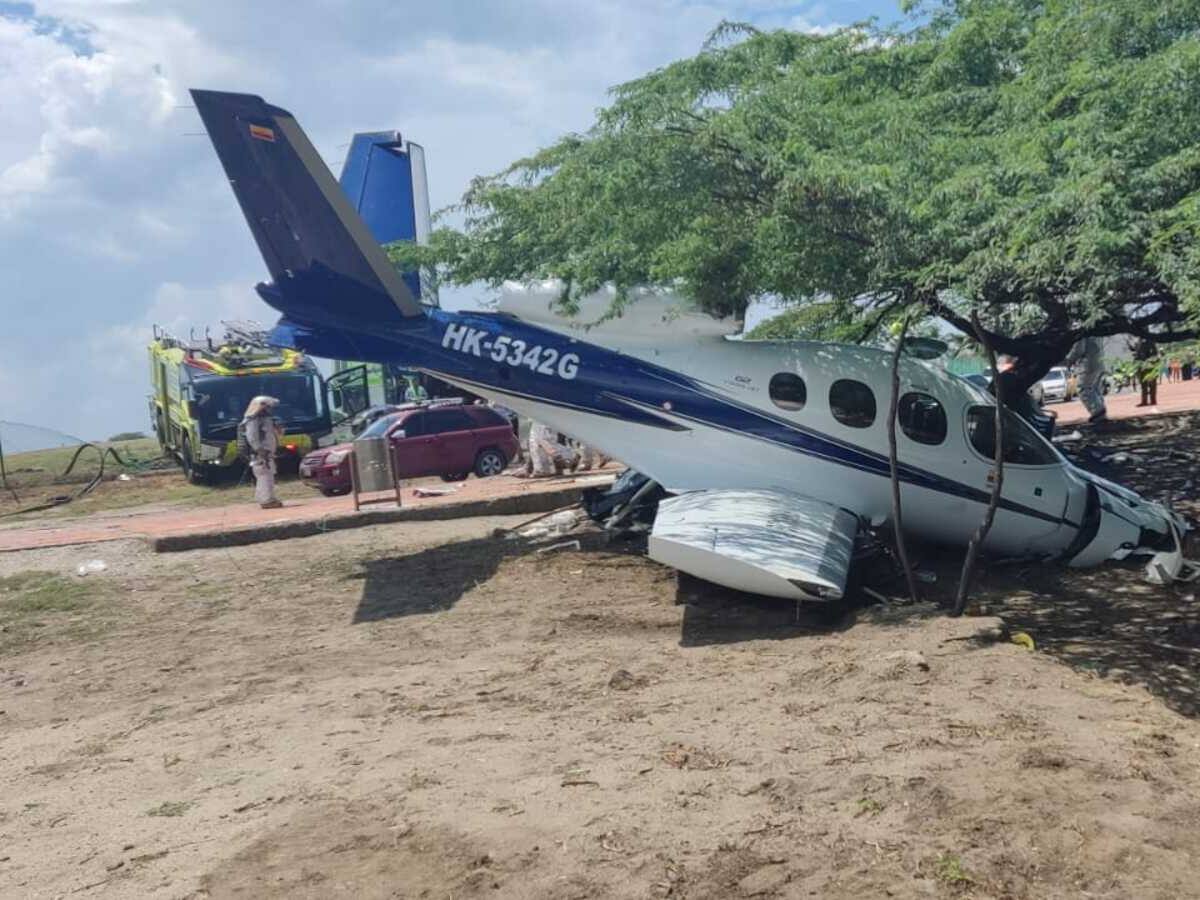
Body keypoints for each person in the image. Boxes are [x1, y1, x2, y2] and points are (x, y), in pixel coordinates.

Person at [242, 395, 283, 508]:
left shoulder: (266, 419)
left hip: (267, 452)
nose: (270, 409)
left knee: (267, 475)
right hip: (260, 453)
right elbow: (252, 437)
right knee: (264, 475)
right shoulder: (252, 420)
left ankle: (266, 498)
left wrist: (278, 427)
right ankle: (267, 500)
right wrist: (259, 450)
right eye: (268, 407)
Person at [1068, 337, 1108, 423]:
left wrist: (1069, 360)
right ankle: (1101, 413)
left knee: (1083, 388)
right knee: (1095, 389)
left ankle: (1098, 411)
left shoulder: (1081, 330)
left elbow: (1079, 349)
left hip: (1088, 364)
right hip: (1099, 362)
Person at [1133, 338, 1160, 408]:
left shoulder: (1149, 342)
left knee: (1151, 385)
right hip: (1144, 367)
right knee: (1145, 385)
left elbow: (1155, 355)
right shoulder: (1140, 343)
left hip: (1149, 366)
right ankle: (1147, 400)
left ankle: (1151, 400)